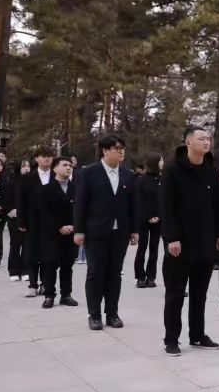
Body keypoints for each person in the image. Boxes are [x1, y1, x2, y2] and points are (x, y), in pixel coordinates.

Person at [160, 126, 219, 356]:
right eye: (201, 138)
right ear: (188, 142)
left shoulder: (211, 172)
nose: (206, 142)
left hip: (205, 242)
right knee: (176, 293)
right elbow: (167, 207)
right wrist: (172, 238)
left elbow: (218, 207)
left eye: (208, 138)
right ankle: (171, 339)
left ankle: (197, 335)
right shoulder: (172, 170)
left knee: (200, 293)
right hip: (180, 244)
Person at [73, 135, 138, 331]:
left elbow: (133, 204)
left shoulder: (128, 174)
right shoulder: (89, 172)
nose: (121, 151)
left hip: (120, 233)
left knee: (114, 273)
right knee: (95, 272)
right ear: (105, 151)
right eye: (117, 148)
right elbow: (80, 203)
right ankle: (94, 315)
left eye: (122, 147)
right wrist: (79, 230)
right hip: (96, 232)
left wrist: (134, 229)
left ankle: (112, 313)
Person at [37, 157, 79, 309]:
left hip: (72, 232)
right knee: (50, 264)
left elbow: (81, 210)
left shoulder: (77, 188)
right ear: (55, 169)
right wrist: (59, 226)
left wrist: (75, 226)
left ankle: (66, 295)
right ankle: (49, 295)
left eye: (70, 165)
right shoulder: (46, 189)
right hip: (52, 234)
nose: (68, 167)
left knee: (68, 265)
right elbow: (44, 212)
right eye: (65, 165)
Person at [15, 148, 53, 290]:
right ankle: (32, 284)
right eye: (43, 156)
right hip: (32, 220)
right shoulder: (27, 178)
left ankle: (45, 283)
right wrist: (21, 220)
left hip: (52, 221)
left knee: (48, 254)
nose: (47, 159)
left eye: (49, 156)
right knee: (32, 252)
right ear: (36, 158)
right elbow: (21, 200)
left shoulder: (56, 176)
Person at [134, 153, 163, 288]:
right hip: (143, 219)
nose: (163, 162)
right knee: (142, 247)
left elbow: (164, 200)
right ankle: (140, 276)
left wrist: (159, 216)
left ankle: (151, 276)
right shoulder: (141, 180)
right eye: (161, 160)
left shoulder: (162, 180)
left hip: (158, 220)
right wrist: (148, 217)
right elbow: (139, 201)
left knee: (154, 248)